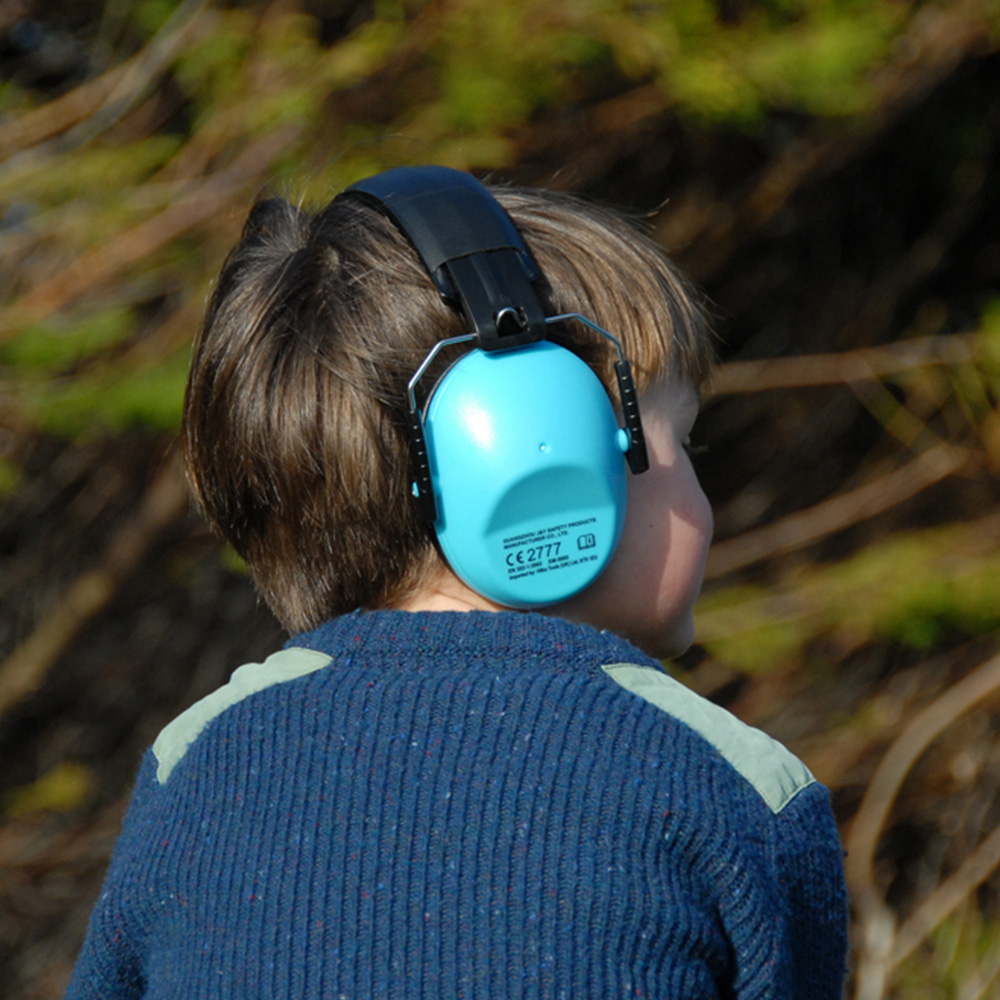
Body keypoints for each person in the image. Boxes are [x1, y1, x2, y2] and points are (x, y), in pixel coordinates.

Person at [66, 167, 848, 999]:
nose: (700, 484)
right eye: (683, 440)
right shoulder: (731, 785)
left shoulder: (195, 761)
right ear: (540, 453)